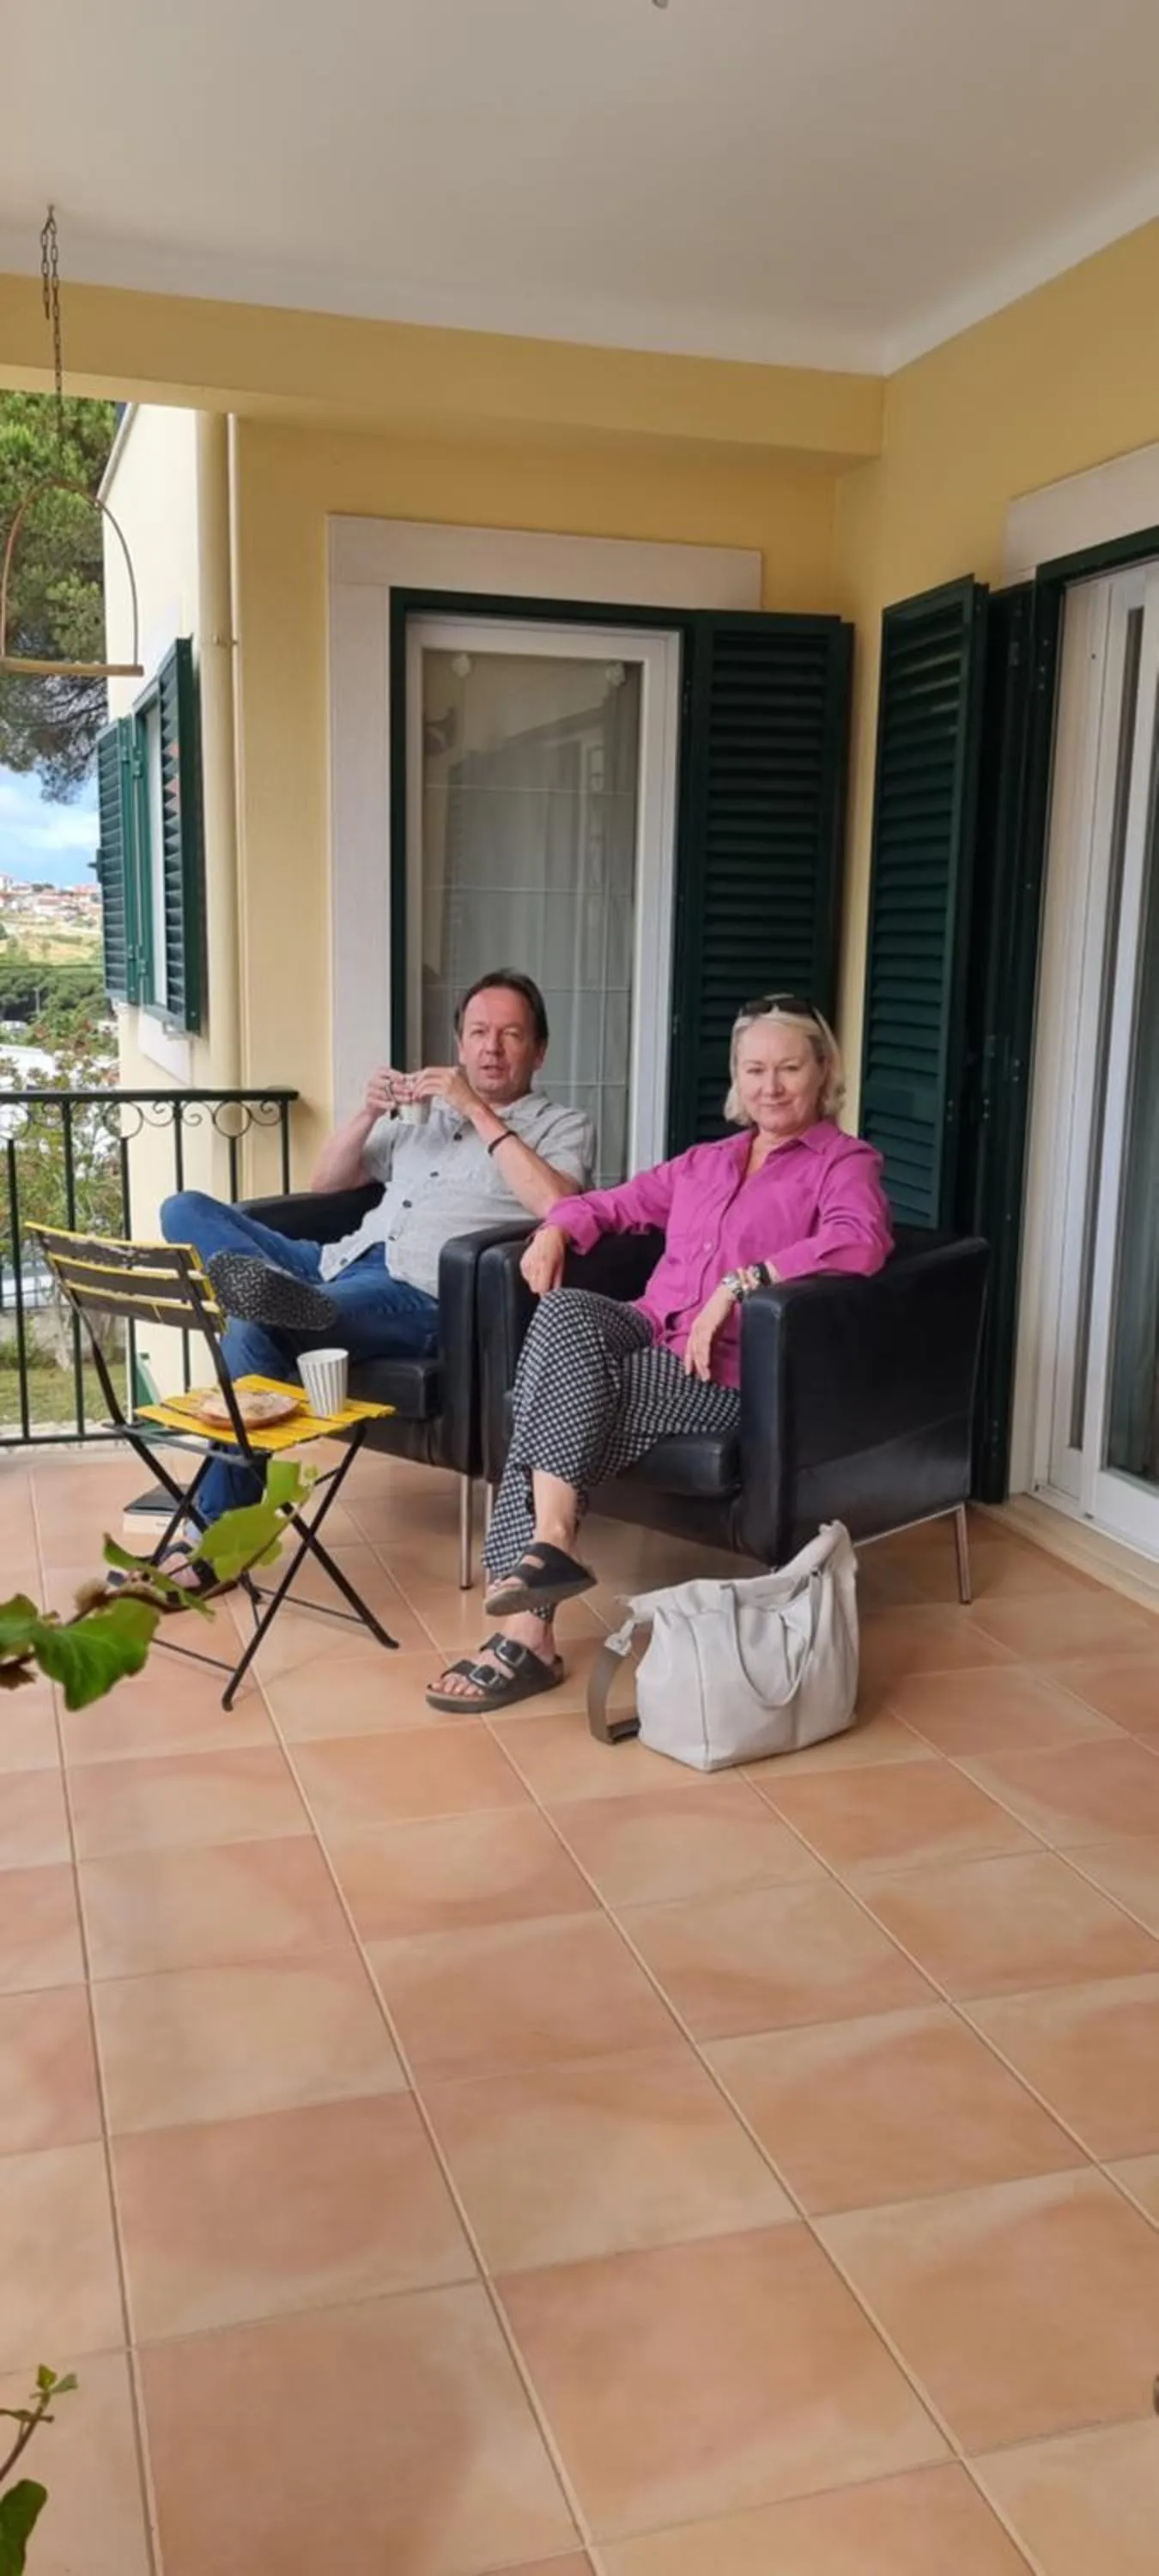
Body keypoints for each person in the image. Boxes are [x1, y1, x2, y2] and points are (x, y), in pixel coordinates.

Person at [428, 993, 893, 1712]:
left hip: (724, 1367)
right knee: (566, 1312)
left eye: (789, 1068)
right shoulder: (707, 1161)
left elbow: (859, 1240)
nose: (770, 1086)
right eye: (754, 1069)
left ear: (823, 1070)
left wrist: (742, 1285)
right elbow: (609, 1205)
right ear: (736, 1078)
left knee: (543, 1401)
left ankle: (525, 1637)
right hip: (650, 1325)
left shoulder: (843, 1163)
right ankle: (550, 1543)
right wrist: (556, 1230)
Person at [161, 970, 595, 1561]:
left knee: (251, 1326)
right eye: (479, 1032)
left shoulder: (562, 1126)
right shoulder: (425, 1121)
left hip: (418, 1294)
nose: (492, 1047)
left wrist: (476, 1108)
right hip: (333, 1263)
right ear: (459, 1044)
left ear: (538, 1051)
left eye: (511, 1034)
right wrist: (366, 1112)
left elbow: (558, 1204)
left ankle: (212, 1540)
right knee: (183, 1208)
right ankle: (270, 1294)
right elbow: (327, 1182)